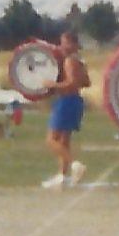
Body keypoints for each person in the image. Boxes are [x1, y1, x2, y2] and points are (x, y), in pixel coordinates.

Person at [40, 30, 90, 190]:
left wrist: (53, 85)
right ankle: (62, 176)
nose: (62, 46)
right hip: (76, 101)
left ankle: (75, 164)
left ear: (73, 44)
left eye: (65, 42)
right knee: (64, 141)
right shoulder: (80, 61)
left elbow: (72, 83)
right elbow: (86, 82)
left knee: (51, 140)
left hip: (66, 101)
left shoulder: (69, 61)